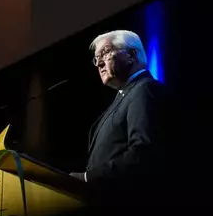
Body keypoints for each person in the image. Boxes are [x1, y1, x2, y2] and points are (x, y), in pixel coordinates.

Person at [70, 30, 167, 203]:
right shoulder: (123, 96)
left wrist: (87, 178)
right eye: (96, 58)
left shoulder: (144, 89)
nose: (99, 63)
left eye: (105, 53)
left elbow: (143, 153)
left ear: (131, 55)